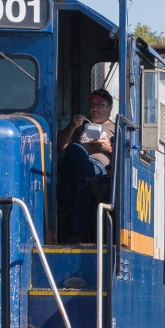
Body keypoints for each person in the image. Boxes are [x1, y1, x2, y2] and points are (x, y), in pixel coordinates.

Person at [58, 89, 115, 242]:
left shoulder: (116, 130)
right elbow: (59, 146)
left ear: (109, 107)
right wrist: (72, 126)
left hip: (100, 169)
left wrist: (107, 148)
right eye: (92, 105)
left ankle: (76, 235)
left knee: (79, 171)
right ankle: (76, 234)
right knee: (76, 157)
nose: (94, 109)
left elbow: (125, 158)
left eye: (100, 105)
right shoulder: (81, 127)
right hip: (77, 168)